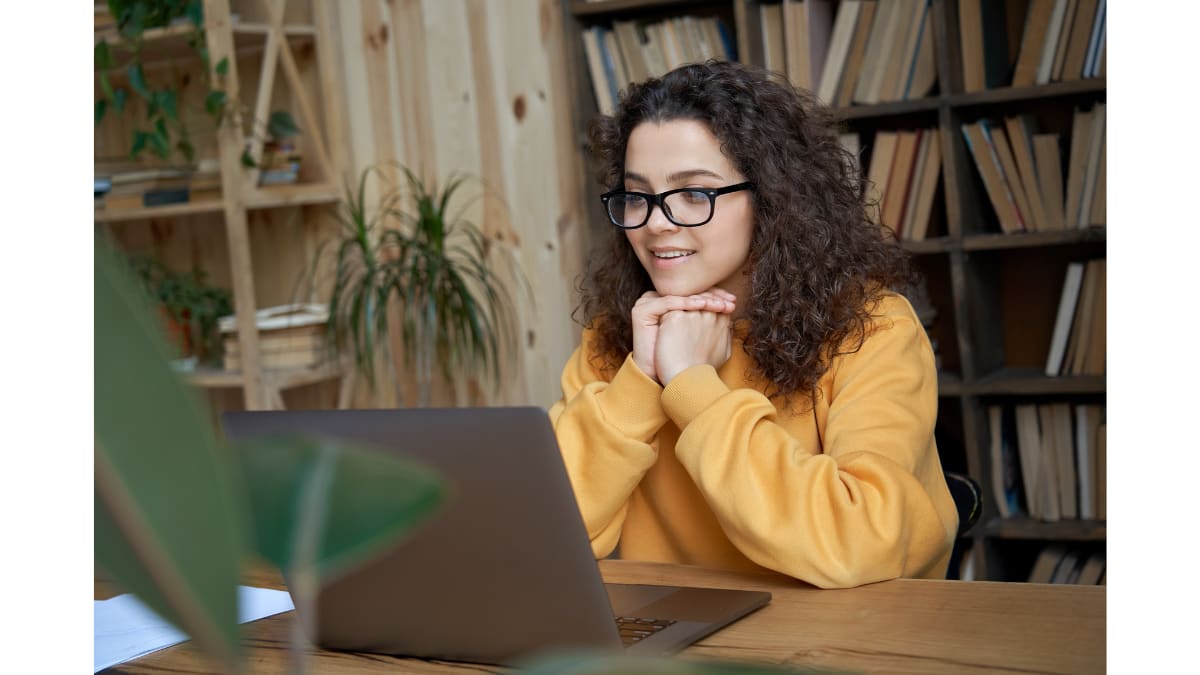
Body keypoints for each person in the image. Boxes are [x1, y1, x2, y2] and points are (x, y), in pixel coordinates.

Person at [547, 61, 958, 589]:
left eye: (694, 193)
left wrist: (693, 386)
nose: (654, 223)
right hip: (677, 648)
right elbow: (547, 536)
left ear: (771, 198)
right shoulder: (616, 340)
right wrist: (641, 380)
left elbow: (860, 542)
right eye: (636, 196)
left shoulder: (874, 330)